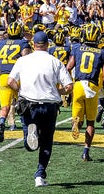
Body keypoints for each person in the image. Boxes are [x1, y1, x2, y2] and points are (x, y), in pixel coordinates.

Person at [8, 30, 73, 187]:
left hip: (29, 103)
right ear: (47, 45)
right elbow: (69, 86)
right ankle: (39, 174)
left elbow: (10, 81)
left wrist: (21, 90)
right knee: (46, 142)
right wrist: (57, 91)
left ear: (33, 44)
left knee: (29, 142)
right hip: (49, 105)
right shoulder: (54, 61)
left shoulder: (23, 60)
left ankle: (30, 134)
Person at [66, 24, 104, 161]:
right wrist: (103, 88)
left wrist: (68, 83)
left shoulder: (77, 48)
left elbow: (68, 67)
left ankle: (76, 123)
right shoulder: (102, 53)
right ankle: (86, 151)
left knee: (78, 117)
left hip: (78, 85)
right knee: (90, 123)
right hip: (92, 86)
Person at [0, 22, 31, 142]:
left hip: (3, 77)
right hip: (18, 77)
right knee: (24, 105)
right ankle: (27, 133)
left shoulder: (0, 43)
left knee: (5, 106)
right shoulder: (23, 43)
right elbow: (26, 59)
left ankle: (2, 121)